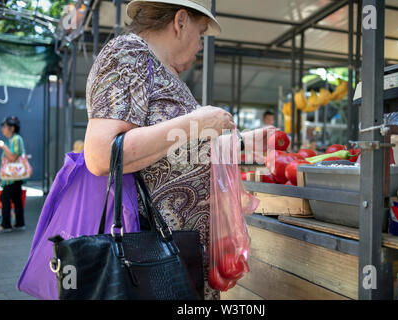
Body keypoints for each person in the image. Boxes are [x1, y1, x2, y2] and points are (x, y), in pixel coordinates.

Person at [84, 0, 272, 300]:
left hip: (176, 259)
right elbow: (100, 155)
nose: (200, 44)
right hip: (153, 261)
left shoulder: (160, 69)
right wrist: (198, 121)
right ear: (180, 21)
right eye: (200, 32)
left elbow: (172, 152)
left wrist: (241, 144)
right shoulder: (129, 54)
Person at [0, 116, 26, 233]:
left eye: (4, 126)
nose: (2, 129)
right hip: (13, 177)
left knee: (5, 197)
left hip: (13, 178)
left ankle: (6, 225)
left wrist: (3, 146)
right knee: (16, 199)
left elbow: (13, 157)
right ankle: (19, 223)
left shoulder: (16, 139)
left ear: (12, 128)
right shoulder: (12, 139)